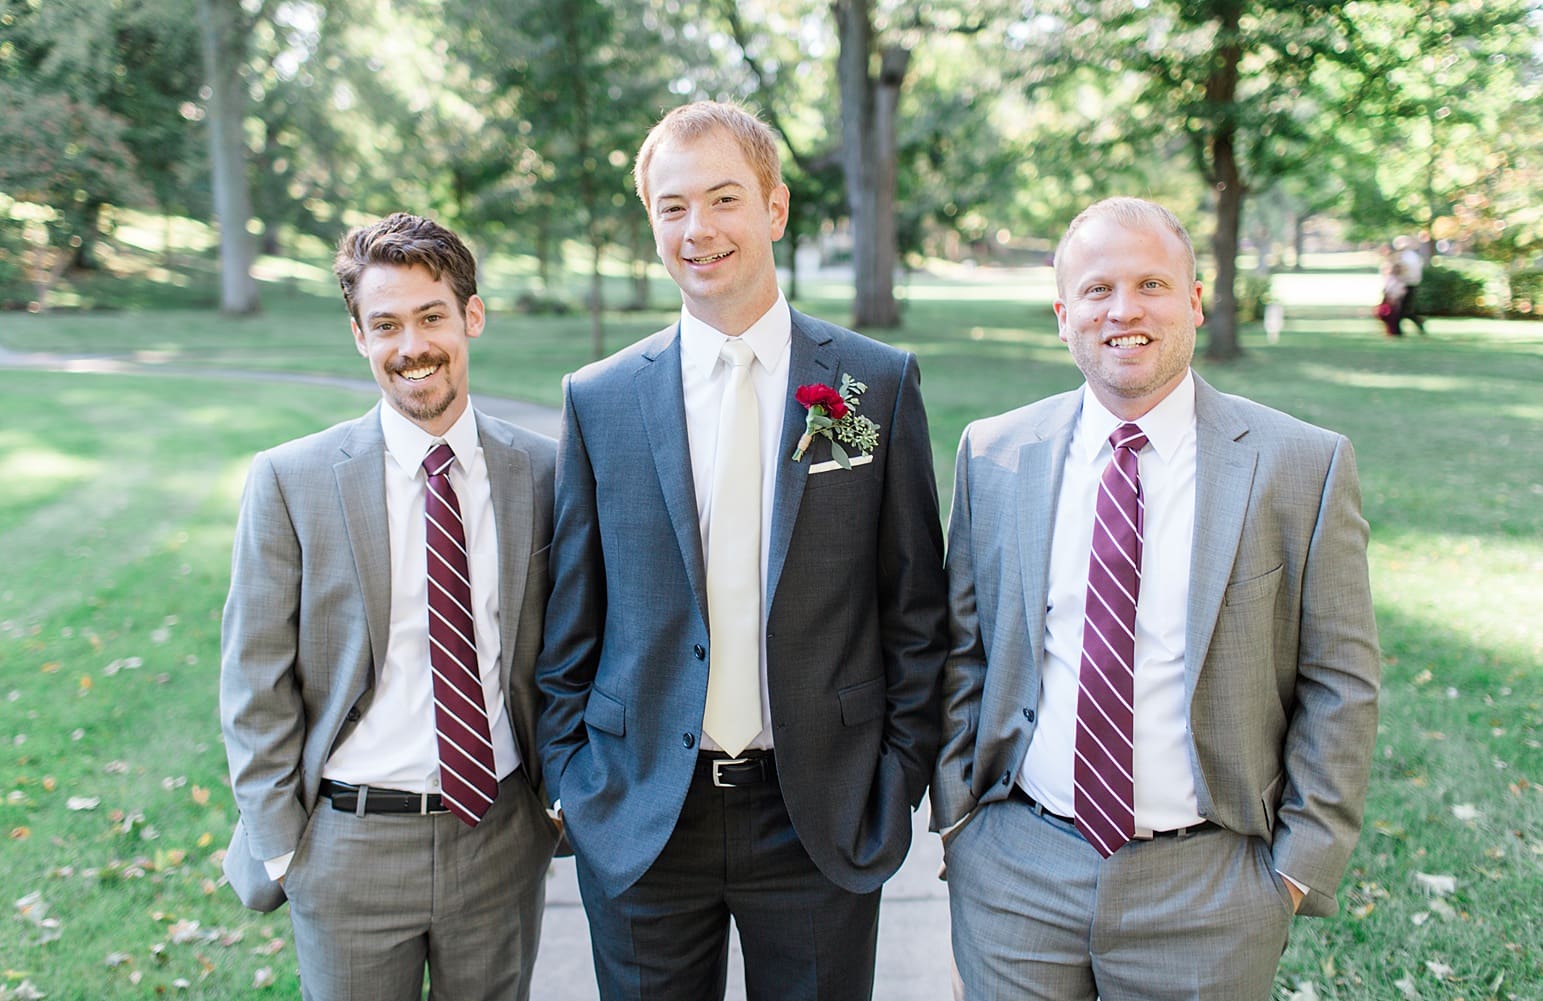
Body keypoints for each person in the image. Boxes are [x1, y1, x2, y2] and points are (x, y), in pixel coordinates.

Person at [535, 100, 949, 1001]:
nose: (698, 229)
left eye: (723, 199)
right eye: (672, 206)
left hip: (819, 811)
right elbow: (571, 616)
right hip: (642, 808)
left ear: (775, 207)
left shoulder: (872, 384)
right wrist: (573, 777)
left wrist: (895, 777)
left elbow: (915, 609)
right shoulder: (599, 398)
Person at [932, 197, 1381, 1001]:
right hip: (1016, 870)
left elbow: (1340, 682)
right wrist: (960, 822)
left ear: (1195, 301)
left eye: (1151, 284)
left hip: (1209, 887)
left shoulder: (1299, 465)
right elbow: (961, 648)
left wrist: (1292, 872)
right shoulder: (994, 453)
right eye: (1097, 289)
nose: (1124, 310)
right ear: (1062, 316)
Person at [219, 212, 559, 1001]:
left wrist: (557, 808)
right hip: (348, 845)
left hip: (500, 836)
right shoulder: (291, 481)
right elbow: (253, 679)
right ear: (358, 335)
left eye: (431, 316)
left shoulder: (544, 472)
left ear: (471, 315)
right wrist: (282, 847)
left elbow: (578, 649)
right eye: (386, 325)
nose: (412, 346)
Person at [1393, 234, 1427, 335]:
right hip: (1411, 284)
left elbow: (1402, 271)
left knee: (1403, 310)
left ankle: (1398, 330)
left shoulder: (1404, 257)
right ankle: (1400, 329)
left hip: (1405, 285)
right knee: (1405, 309)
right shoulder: (1414, 256)